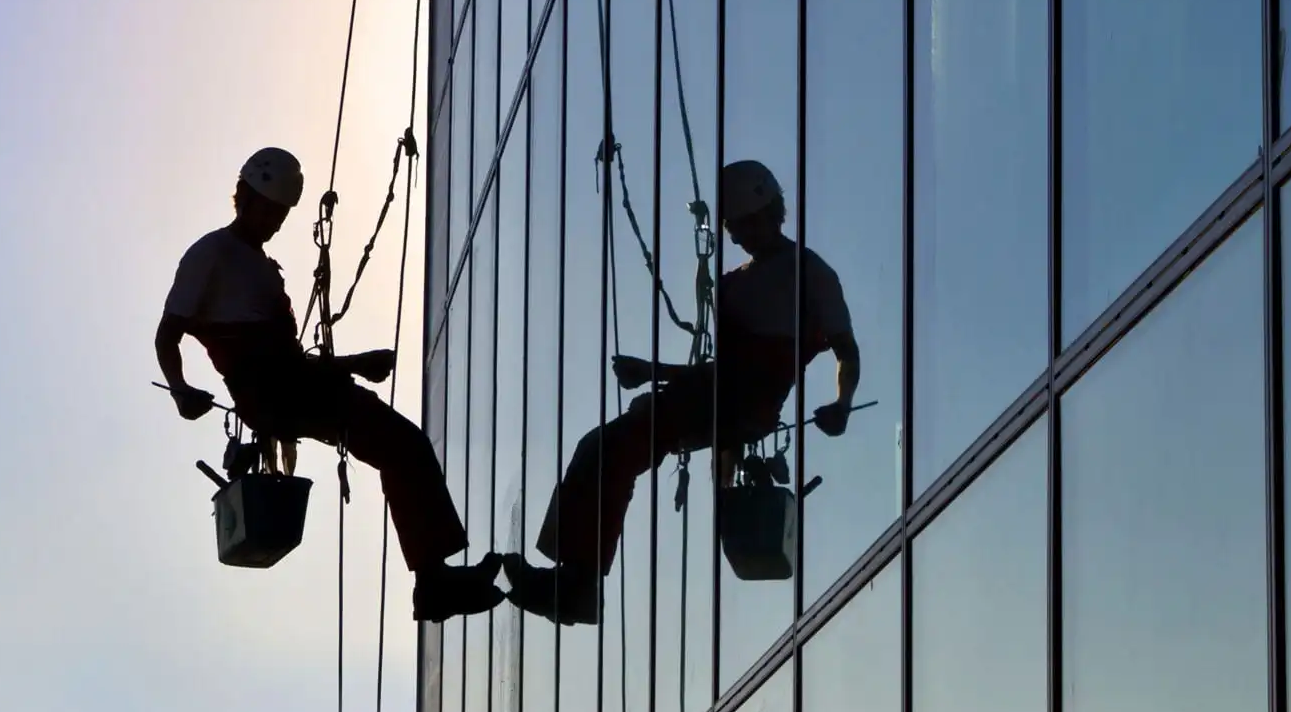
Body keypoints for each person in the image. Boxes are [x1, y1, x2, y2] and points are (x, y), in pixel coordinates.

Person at [502, 159, 862, 625]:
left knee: (612, 448)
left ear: (773, 213)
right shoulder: (733, 285)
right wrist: (653, 371)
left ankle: (577, 584)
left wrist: (843, 404)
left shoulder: (811, 275)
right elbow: (722, 371)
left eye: (746, 225)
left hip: (740, 404)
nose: (739, 237)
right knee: (604, 447)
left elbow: (845, 350)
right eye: (736, 228)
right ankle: (575, 580)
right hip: (722, 398)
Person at [154, 145, 505, 623]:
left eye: (282, 215)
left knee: (403, 446)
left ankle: (434, 578)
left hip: (287, 384)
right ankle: (434, 582)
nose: (276, 223)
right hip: (273, 389)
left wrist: (351, 365)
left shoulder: (258, 265)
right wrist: (179, 390)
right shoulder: (211, 254)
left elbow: (285, 360)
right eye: (271, 211)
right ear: (245, 197)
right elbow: (168, 334)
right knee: (401, 444)